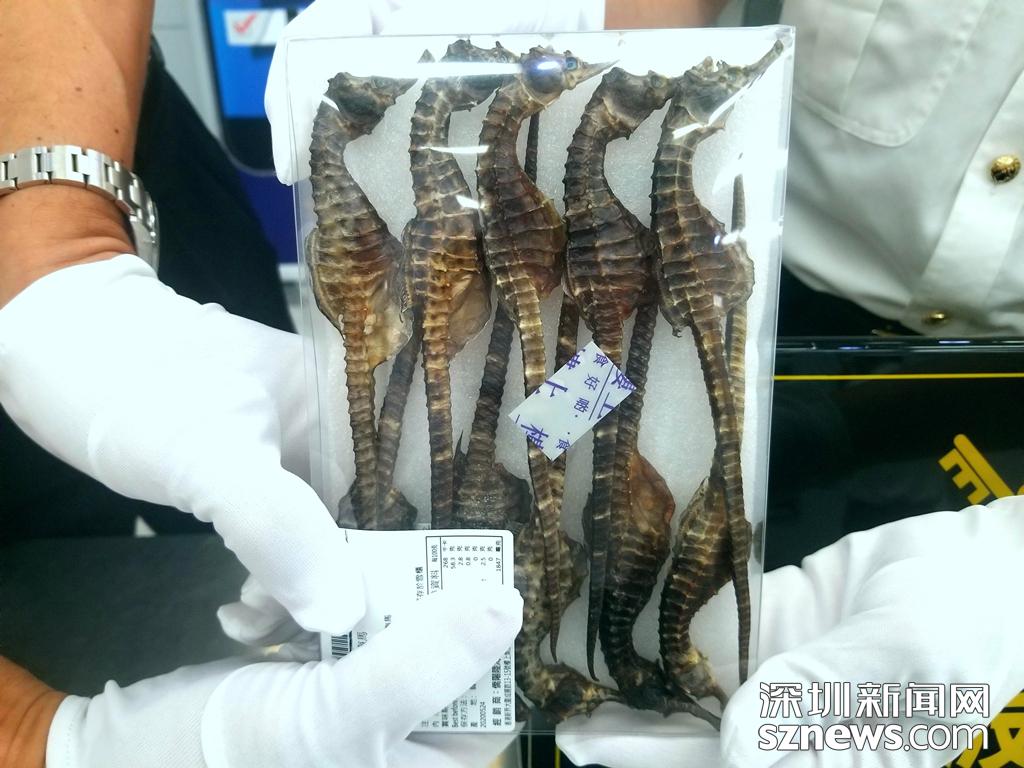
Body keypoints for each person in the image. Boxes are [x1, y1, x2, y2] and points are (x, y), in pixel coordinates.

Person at [0, 3, 1020, 768]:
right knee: (549, 428)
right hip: (733, 285)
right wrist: (53, 251)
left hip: (750, 295)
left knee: (594, 431)